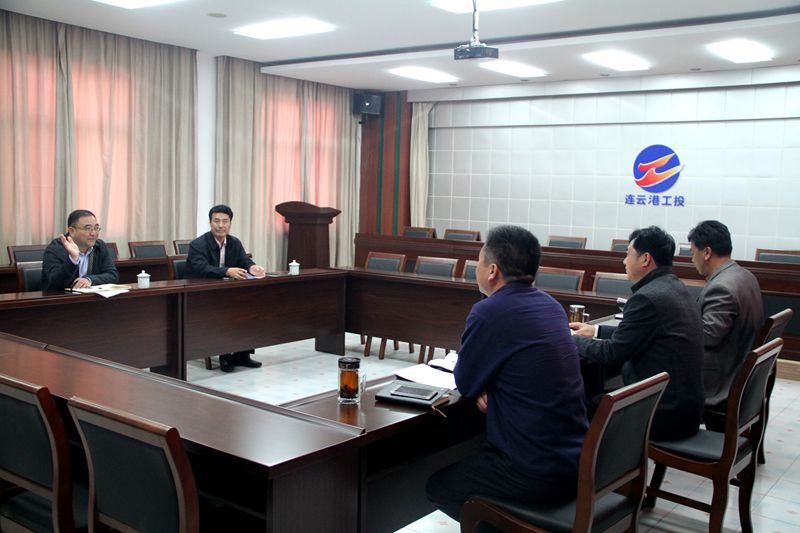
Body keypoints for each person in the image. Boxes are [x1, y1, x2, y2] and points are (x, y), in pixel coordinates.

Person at [426, 225, 588, 521]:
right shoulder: (551, 306)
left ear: (492, 271)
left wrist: (487, 385)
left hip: (532, 472)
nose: (477, 268)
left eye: (479, 261)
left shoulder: (489, 311)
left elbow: (466, 382)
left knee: (439, 487)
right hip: (576, 460)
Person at [570, 226, 703, 440]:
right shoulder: (675, 288)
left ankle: (592, 460)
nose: (624, 261)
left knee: (573, 407)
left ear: (645, 259)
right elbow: (641, 333)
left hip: (661, 413)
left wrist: (572, 340)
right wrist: (596, 330)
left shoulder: (647, 297)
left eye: (628, 254)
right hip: (683, 408)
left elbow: (612, 354)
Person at [688, 220, 763, 409]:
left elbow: (708, 336)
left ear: (707, 252)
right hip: (739, 370)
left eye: (692, 253)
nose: (691, 259)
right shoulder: (746, 276)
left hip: (718, 382)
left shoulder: (721, 287)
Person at [187, 204, 266, 372]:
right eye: (216, 221)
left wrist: (252, 268)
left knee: (251, 307)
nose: (220, 225)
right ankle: (224, 356)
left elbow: (244, 260)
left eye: (225, 221)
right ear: (210, 223)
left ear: (230, 223)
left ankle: (242, 355)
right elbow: (201, 268)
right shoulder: (198, 244)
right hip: (202, 294)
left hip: (226, 293)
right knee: (225, 310)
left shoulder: (234, 242)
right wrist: (226, 271)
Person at [42, 209, 119, 291]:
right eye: (88, 228)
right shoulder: (56, 248)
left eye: (96, 228)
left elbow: (113, 275)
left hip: (89, 297)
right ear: (72, 231)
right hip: (60, 297)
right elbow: (55, 282)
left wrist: (89, 280)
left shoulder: (99, 246)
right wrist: (72, 260)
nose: (93, 233)